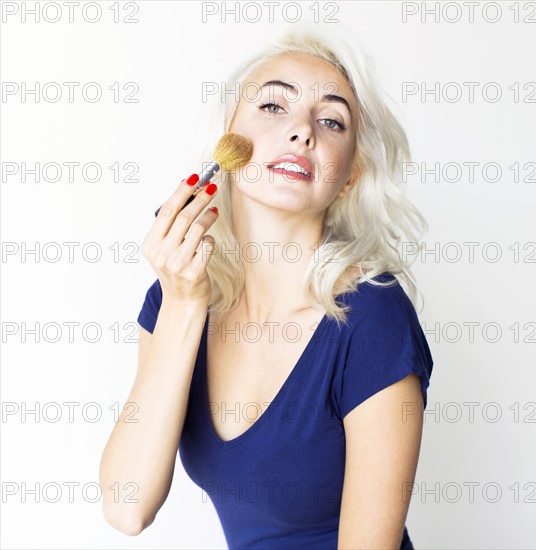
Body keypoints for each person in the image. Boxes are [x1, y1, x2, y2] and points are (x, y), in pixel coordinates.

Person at [99, 22, 434, 550]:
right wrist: (186, 305)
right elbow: (126, 505)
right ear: (228, 137)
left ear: (349, 176)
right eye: (274, 107)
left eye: (331, 120)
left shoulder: (372, 316)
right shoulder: (178, 293)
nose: (303, 130)